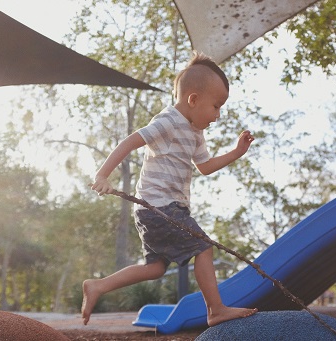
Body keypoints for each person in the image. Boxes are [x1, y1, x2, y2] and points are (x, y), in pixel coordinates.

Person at [84, 51, 258, 326]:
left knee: (154, 269)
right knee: (204, 248)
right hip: (159, 206)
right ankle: (215, 310)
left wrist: (236, 152)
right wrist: (103, 175)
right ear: (193, 99)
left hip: (159, 209)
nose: (218, 115)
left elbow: (206, 166)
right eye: (216, 106)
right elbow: (130, 141)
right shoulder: (168, 121)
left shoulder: (195, 133)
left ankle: (98, 286)